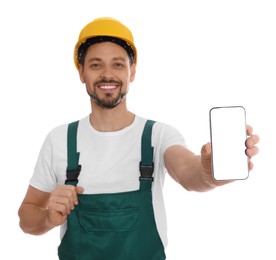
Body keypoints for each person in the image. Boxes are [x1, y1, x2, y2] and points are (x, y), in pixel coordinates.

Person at [18, 17, 260, 260]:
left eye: (118, 65)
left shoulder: (158, 135)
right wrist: (48, 217)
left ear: (132, 72)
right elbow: (27, 217)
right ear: (81, 72)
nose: (107, 74)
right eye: (95, 65)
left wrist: (210, 171)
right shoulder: (60, 139)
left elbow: (190, 173)